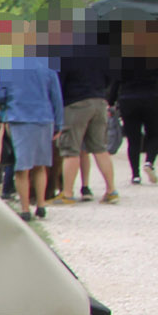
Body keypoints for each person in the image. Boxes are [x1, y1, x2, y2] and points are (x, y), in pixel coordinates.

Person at [0, 31, 63, 220]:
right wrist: (59, 123)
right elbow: (56, 97)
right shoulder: (47, 67)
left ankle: (25, 208)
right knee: (40, 165)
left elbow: (0, 95)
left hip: (20, 119)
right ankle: (41, 205)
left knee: (22, 167)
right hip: (44, 119)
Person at [54, 21, 117, 204]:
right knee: (100, 148)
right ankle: (111, 190)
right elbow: (110, 77)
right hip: (99, 102)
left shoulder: (64, 53)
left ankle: (67, 193)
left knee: (71, 150)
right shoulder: (99, 52)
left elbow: (59, 82)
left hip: (75, 104)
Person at [112, 22, 158, 184]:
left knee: (133, 139)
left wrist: (110, 101)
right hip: (151, 98)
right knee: (154, 134)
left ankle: (135, 175)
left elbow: (116, 83)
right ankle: (149, 162)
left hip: (128, 100)